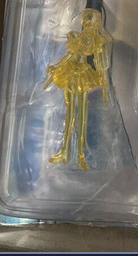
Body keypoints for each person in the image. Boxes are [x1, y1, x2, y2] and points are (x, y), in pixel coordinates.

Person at [44, 9, 111, 169]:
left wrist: (104, 82)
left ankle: (80, 153)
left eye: (89, 19)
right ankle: (65, 150)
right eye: (85, 18)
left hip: (81, 74)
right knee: (70, 113)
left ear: (95, 22)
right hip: (70, 72)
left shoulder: (95, 40)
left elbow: (99, 62)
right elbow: (69, 55)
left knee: (80, 114)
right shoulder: (78, 36)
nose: (86, 21)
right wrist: (56, 67)